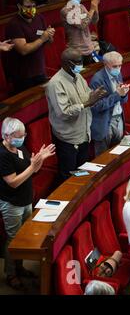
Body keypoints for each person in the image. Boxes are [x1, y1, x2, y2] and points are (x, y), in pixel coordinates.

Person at [0, 117, 55, 290]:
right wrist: (32, 167)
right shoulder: (2, 154)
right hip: (12, 203)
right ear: (7, 135)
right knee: (13, 238)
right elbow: (14, 182)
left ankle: (20, 267)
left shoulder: (19, 147)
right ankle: (11, 273)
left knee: (22, 238)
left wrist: (39, 160)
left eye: (23, 135)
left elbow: (32, 171)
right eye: (18, 135)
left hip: (26, 199)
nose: (22, 138)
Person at [46, 48, 107, 182]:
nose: (81, 64)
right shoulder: (56, 84)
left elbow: (86, 98)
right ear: (66, 63)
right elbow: (63, 113)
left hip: (84, 134)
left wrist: (94, 96)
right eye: (78, 62)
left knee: (81, 174)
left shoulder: (78, 77)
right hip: (68, 139)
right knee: (67, 178)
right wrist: (86, 103)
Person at [5, 0, 55, 93]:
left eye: (33, 6)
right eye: (28, 7)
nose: (31, 9)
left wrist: (49, 35)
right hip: (23, 77)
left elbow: (49, 42)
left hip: (40, 70)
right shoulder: (14, 24)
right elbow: (23, 50)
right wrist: (42, 39)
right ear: (19, 6)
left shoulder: (39, 17)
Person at [90, 51, 129, 156]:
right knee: (103, 158)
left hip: (118, 119)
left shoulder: (118, 74)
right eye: (115, 66)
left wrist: (124, 94)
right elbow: (97, 106)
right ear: (106, 65)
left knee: (118, 155)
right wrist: (117, 94)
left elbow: (123, 100)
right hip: (104, 122)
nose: (118, 69)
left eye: (120, 65)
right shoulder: (97, 80)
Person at [61, 0, 100, 65]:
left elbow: (94, 21)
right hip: (76, 51)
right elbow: (82, 25)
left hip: (89, 48)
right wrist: (92, 9)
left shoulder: (81, 7)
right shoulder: (65, 11)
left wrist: (95, 7)